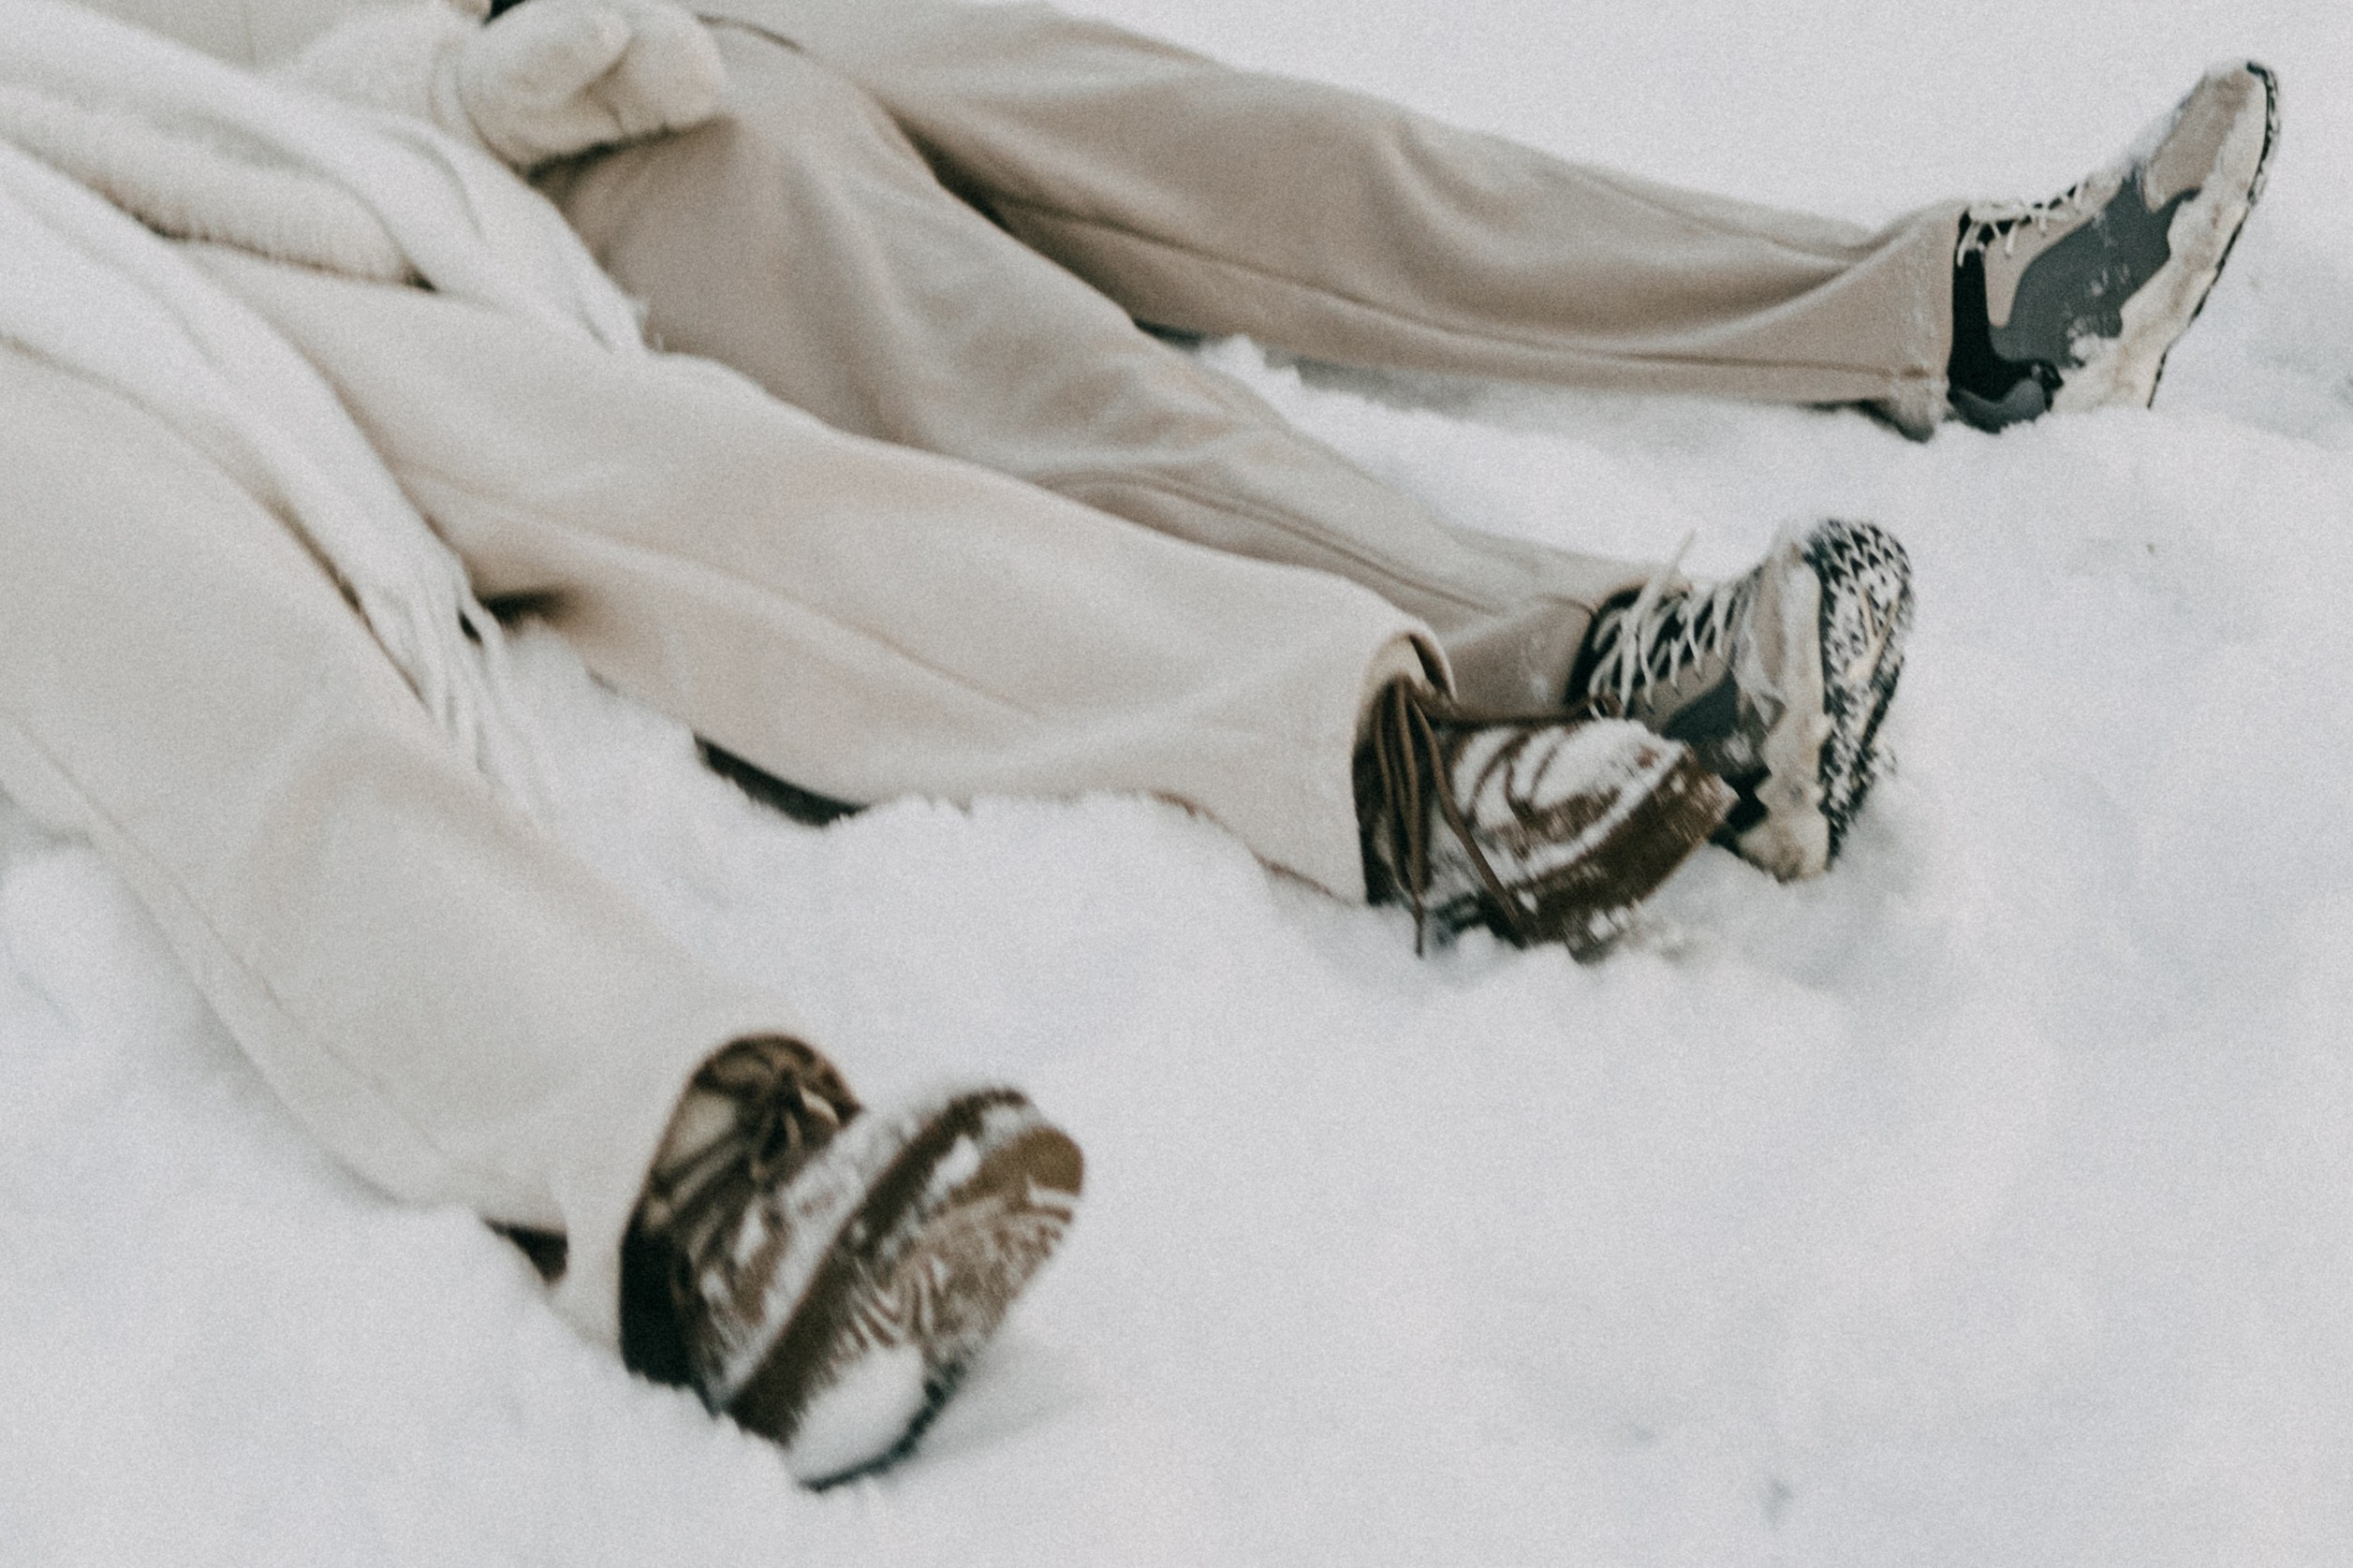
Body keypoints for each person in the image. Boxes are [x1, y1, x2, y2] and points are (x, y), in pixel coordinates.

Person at [1, 0, 2272, 1487]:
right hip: (473, 161)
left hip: (526, 39)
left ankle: (1939, 300)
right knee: (1026, 398)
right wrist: (467, 90)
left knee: (1279, 148)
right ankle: (1565, 667)